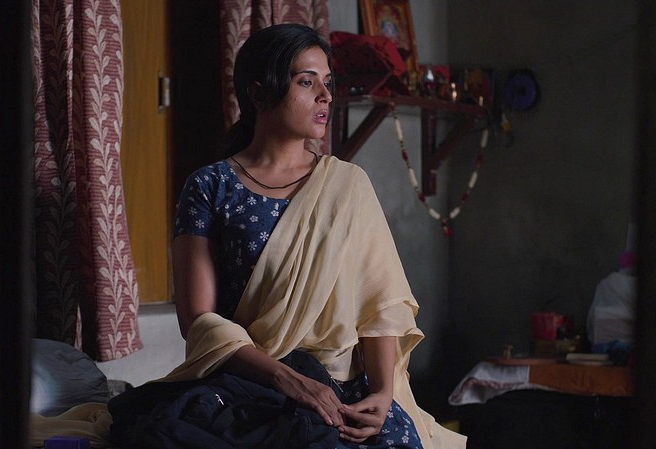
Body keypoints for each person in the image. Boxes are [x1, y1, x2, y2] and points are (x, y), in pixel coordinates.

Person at [146, 24, 465, 449]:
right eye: (306, 81)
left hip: (341, 387)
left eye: (328, 82)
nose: (326, 95)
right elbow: (198, 322)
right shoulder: (210, 186)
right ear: (259, 94)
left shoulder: (347, 186)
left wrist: (383, 393)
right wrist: (285, 378)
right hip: (248, 381)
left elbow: (380, 305)